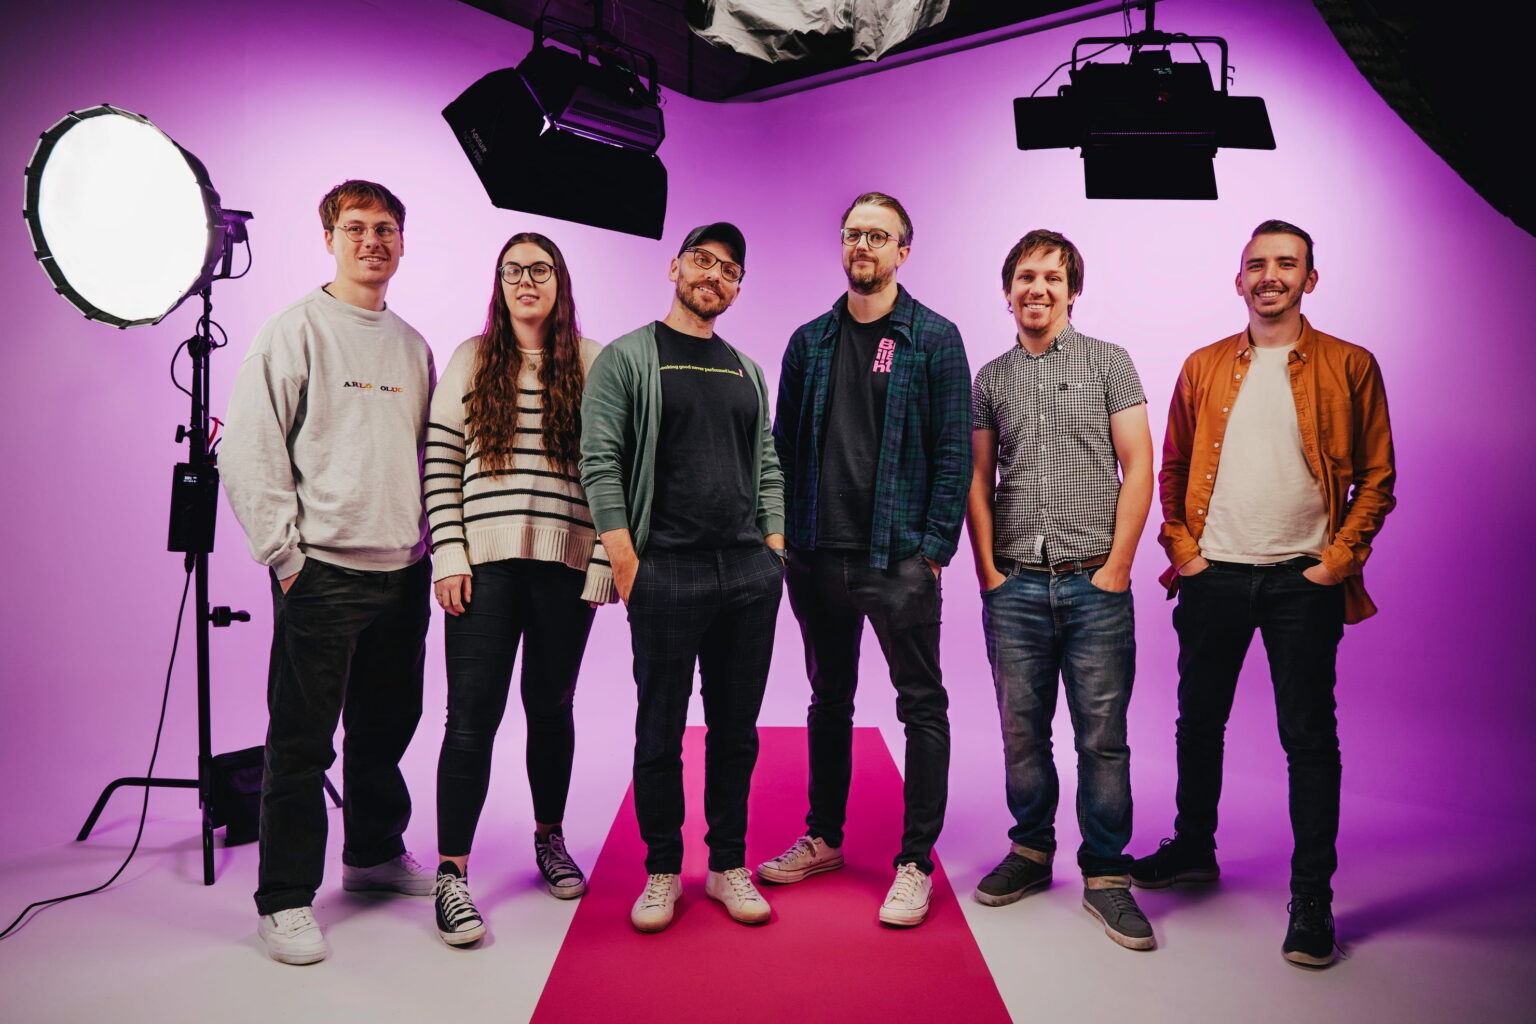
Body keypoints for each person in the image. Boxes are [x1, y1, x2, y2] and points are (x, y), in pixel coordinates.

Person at [1131, 220, 1396, 969]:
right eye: (1257, 264)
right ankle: (1191, 849)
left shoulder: (1351, 365)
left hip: (1300, 582)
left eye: (1287, 264)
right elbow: (1175, 466)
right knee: (1198, 722)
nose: (1270, 275)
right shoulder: (1205, 364)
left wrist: (1337, 562)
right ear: (1238, 278)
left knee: (1308, 739)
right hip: (1213, 573)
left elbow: (1377, 476)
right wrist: (1183, 550)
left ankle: (1312, 896)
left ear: (1310, 279)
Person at [222, 180, 435, 965]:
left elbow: (421, 456)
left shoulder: (412, 345)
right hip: (323, 572)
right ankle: (283, 898)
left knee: (384, 729)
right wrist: (284, 554)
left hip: (403, 570)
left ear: (403, 242)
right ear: (329, 239)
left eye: (386, 228)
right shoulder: (295, 331)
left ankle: (373, 855)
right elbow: (248, 448)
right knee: (302, 743)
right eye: (356, 228)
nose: (372, 240)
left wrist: (427, 549)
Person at [760, 192, 971, 927]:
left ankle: (914, 861)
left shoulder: (934, 338)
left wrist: (935, 550)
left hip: (898, 560)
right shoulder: (809, 341)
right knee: (828, 701)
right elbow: (781, 450)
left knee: (921, 705)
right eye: (854, 233)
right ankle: (824, 838)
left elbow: (954, 452)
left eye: (878, 235)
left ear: (902, 251)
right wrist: (783, 537)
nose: (863, 246)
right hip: (817, 556)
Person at [579, 222, 786, 933]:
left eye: (730, 269)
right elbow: (600, 462)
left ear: (736, 287)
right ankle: (663, 869)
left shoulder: (745, 369)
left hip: (747, 575)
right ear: (675, 267)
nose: (715, 276)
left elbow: (767, 461)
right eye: (704, 261)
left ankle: (728, 865)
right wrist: (629, 564)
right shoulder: (628, 358)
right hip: (664, 571)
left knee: (736, 731)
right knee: (659, 731)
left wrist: (774, 548)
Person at [966, 229, 1156, 950]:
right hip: (1015, 585)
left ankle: (1107, 876)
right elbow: (979, 480)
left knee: (1102, 738)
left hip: (1094, 585)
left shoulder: (1111, 362)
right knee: (1023, 732)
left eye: (1050, 277)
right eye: (1023, 277)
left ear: (1072, 289)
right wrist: (987, 570)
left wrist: (1118, 568)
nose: (1036, 289)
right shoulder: (991, 378)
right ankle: (1030, 852)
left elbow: (1136, 465)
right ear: (1007, 291)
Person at [423, 232, 614, 946]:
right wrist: (449, 553)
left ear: (560, 281)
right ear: (498, 283)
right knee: (470, 716)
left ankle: (549, 838)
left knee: (551, 706)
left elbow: (610, 470)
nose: (526, 280)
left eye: (540, 269)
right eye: (513, 270)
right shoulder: (473, 360)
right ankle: (451, 874)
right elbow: (440, 464)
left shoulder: (594, 364)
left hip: (565, 566)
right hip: (486, 565)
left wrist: (601, 558)